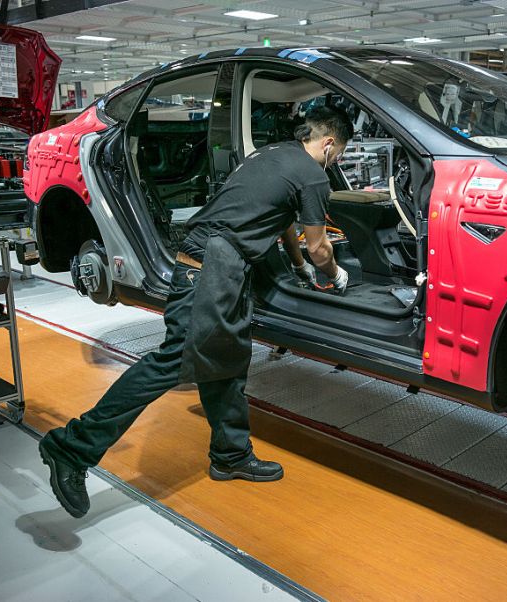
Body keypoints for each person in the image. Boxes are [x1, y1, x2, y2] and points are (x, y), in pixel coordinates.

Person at [38, 106, 354, 518]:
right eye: (341, 153)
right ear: (329, 143)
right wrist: (335, 273)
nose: (339, 161)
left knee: (226, 361)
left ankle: (230, 454)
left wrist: (296, 268)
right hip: (209, 273)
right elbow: (318, 246)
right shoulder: (314, 174)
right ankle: (70, 448)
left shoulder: (274, 155)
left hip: (219, 268)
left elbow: (280, 221)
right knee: (170, 364)